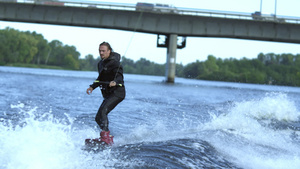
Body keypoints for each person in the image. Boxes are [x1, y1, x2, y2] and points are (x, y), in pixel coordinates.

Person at [86, 42, 125, 145]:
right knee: (98, 117)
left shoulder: (115, 63)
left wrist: (115, 82)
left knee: (103, 111)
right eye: (100, 51)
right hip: (108, 94)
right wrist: (92, 87)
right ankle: (109, 137)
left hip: (117, 93)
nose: (101, 53)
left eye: (103, 51)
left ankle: (106, 137)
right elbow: (100, 79)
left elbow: (120, 77)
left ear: (109, 51)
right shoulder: (101, 63)